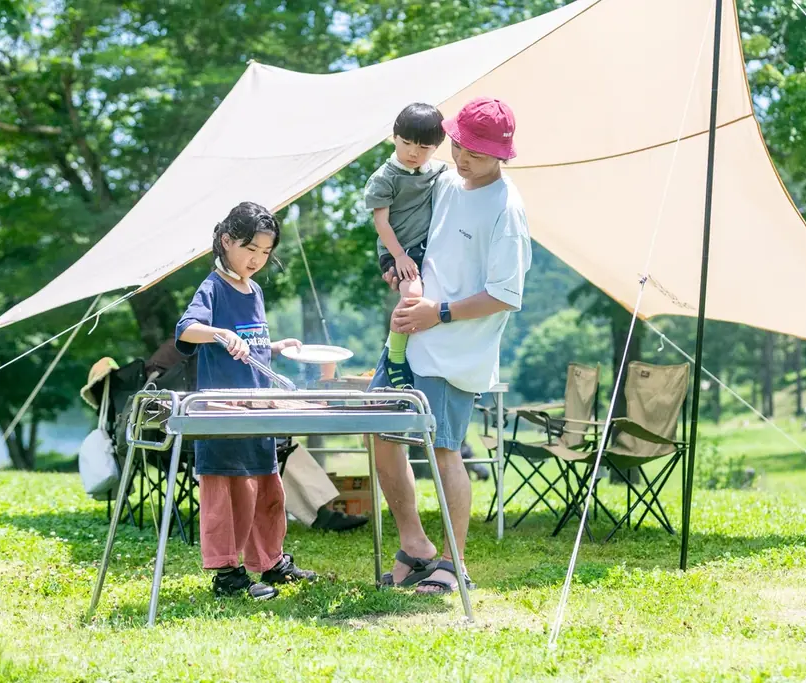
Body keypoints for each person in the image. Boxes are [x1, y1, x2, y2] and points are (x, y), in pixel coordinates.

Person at [368, 97, 531, 594]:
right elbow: (408, 231)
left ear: (500, 155)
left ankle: (452, 563)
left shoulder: (506, 209)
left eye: (475, 154)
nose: (462, 158)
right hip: (408, 335)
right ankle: (415, 547)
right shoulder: (444, 181)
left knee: (443, 450)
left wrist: (436, 313)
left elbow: (505, 295)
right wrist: (397, 271)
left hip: (453, 350)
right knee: (381, 435)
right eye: (458, 146)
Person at [176, 201, 317, 600]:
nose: (257, 259)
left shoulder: (254, 290)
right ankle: (227, 573)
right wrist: (219, 333)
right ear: (226, 241)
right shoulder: (213, 287)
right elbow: (186, 329)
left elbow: (248, 346)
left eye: (265, 252)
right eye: (250, 249)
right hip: (223, 413)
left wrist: (273, 347)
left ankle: (271, 562)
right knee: (227, 492)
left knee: (268, 489)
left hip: (258, 408)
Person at [144, 341, 368, 532]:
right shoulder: (192, 344)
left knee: (280, 443)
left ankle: (321, 508)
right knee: (272, 443)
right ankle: (320, 512)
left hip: (202, 429)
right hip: (199, 435)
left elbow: (237, 349)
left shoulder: (182, 346)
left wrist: (273, 347)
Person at [363, 103, 448, 389]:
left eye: (423, 147)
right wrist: (399, 256)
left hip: (428, 247)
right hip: (397, 249)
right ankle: (395, 356)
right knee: (412, 296)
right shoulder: (384, 178)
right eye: (407, 143)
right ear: (394, 138)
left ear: (436, 147)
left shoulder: (439, 172)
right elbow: (381, 223)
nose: (413, 152)